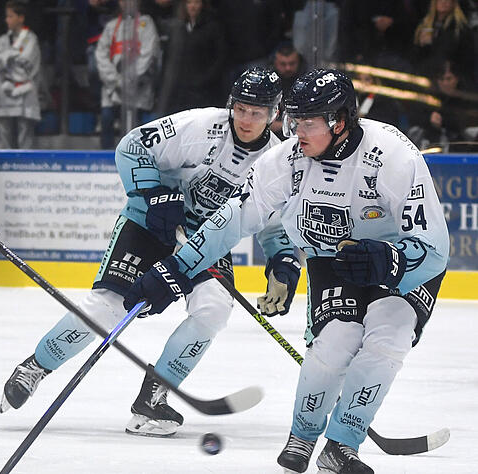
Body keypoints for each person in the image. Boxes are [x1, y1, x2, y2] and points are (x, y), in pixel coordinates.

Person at [123, 69, 448, 473]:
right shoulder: (285, 161)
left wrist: (393, 260)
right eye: (294, 121)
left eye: (308, 123)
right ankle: (304, 436)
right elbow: (232, 220)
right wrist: (175, 269)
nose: (296, 132)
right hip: (334, 256)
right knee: (335, 341)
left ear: (339, 122)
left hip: (401, 259)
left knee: (390, 333)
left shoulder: (393, 156)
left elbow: (435, 249)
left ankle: (342, 444)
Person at [0, 68, 293, 437]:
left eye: (258, 113)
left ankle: (154, 397)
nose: (247, 120)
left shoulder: (274, 161)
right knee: (108, 306)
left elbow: (272, 223)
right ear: (231, 105)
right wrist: (154, 193)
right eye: (242, 109)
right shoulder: (201, 126)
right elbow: (132, 146)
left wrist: (281, 263)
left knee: (214, 308)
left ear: (274, 114)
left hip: (206, 239)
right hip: (148, 221)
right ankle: (36, 366)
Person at [95, 0, 161, 149]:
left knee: (138, 133)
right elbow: (101, 56)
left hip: (139, 89)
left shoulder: (146, 24)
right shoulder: (111, 26)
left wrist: (131, 79)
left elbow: (148, 55)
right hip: (114, 90)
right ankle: (106, 157)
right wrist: (116, 81)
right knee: (106, 118)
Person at [0, 1, 42, 149]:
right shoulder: (2, 40)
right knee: (4, 138)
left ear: (21, 18)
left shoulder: (31, 39)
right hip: (3, 90)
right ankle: (4, 163)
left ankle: (26, 164)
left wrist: (5, 58)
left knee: (25, 139)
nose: (7, 20)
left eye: (10, 16)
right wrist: (11, 56)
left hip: (24, 90)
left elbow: (26, 64)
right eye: (6, 16)